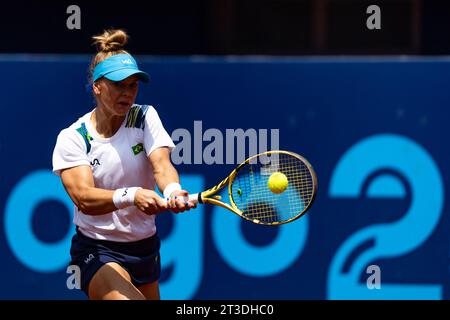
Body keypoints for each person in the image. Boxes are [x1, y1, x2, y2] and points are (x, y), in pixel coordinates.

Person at [52, 29, 196, 300]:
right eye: (118, 84)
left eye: (133, 85)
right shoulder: (73, 137)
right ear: (97, 86)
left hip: (145, 249)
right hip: (96, 249)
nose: (127, 93)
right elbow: (84, 198)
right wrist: (132, 195)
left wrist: (174, 190)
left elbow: (162, 165)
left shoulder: (144, 117)